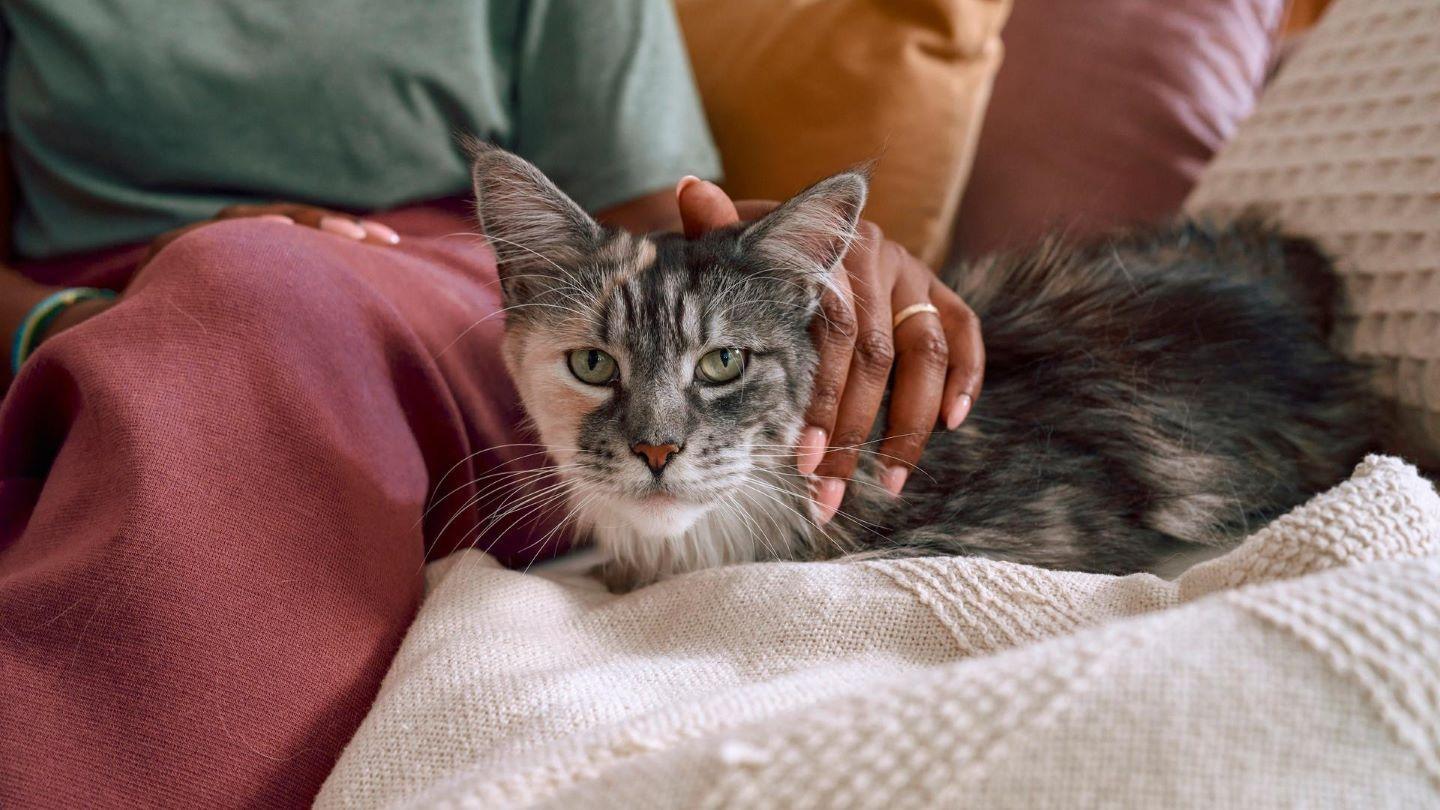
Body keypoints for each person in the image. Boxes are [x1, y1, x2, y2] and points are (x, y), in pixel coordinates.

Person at [0, 1, 983, 805]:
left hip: (444, 300)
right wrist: (60, 322)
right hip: (75, 312)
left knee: (252, 289)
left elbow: (650, 236)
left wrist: (812, 264)